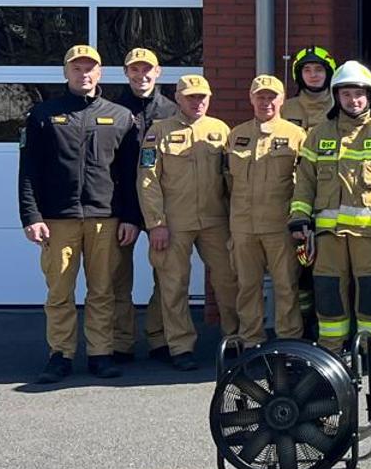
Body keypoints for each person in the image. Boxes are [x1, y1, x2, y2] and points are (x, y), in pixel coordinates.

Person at [20, 45, 141, 383]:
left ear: (100, 73)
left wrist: (132, 217)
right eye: (77, 68)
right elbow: (29, 171)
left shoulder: (119, 117)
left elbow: (131, 174)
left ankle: (101, 354)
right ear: (66, 72)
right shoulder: (43, 115)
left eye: (90, 68)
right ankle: (60, 354)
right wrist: (31, 216)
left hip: (106, 218)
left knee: (103, 290)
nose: (83, 73)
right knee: (59, 291)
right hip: (58, 220)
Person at [288, 61, 371, 357]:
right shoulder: (318, 135)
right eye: (347, 94)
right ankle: (331, 349)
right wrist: (299, 216)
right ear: (336, 96)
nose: (353, 100)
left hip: (370, 231)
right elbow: (305, 180)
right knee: (327, 290)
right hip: (327, 233)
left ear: (370, 96)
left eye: (359, 94)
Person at [136, 74, 235, 370]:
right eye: (191, 97)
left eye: (203, 97)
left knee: (228, 280)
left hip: (215, 219)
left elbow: (232, 178)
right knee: (173, 284)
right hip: (174, 222)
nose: (198, 102)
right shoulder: (158, 132)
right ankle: (180, 346)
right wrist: (156, 224)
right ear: (178, 98)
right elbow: (147, 180)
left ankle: (235, 338)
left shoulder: (220, 130)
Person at [226, 75, 307, 344]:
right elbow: (226, 182)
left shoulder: (296, 135)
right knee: (247, 288)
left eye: (272, 96)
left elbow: (305, 181)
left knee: (286, 286)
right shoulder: (236, 135)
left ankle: (288, 341)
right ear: (251, 99)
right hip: (243, 227)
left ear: (282, 99)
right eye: (260, 96)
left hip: (279, 225)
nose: (266, 102)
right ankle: (251, 341)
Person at [108, 47, 177, 363]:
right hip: (121, 207)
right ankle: (121, 342)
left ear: (158, 72)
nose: (142, 75)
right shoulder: (112, 109)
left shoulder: (172, 111)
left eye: (147, 69)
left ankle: (160, 338)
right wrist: (127, 214)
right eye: (135, 70)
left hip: (162, 209)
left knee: (166, 276)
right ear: (126, 73)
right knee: (117, 278)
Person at [281, 46, 338, 131]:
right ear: (299, 75)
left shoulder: (339, 107)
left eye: (319, 69)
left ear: (329, 74)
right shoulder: (285, 109)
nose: (313, 75)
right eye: (307, 70)